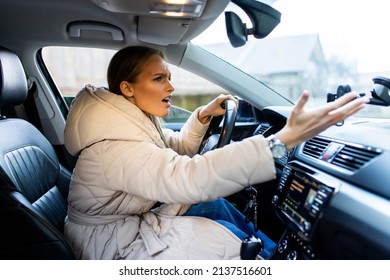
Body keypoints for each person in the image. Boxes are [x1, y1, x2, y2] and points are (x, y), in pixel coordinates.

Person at [63, 45, 368, 260]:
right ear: (128, 89)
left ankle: (266, 251)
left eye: (168, 76)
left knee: (215, 205)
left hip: (129, 225)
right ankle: (265, 256)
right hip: (112, 247)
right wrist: (282, 140)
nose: (171, 86)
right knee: (221, 232)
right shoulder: (113, 148)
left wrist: (204, 115)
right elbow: (188, 177)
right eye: (159, 79)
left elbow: (173, 149)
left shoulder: (131, 122)